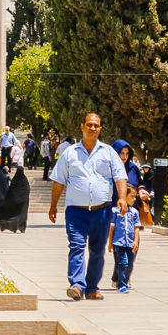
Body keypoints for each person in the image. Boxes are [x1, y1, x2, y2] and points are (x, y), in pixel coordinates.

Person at [48, 113, 129, 302]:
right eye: (89, 125)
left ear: (100, 129)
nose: (93, 128)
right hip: (76, 211)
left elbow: (120, 176)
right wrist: (53, 206)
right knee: (76, 246)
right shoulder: (70, 153)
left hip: (102, 210)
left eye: (96, 125)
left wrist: (123, 198)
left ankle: (92, 287)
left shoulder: (108, 152)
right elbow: (59, 181)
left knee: (97, 250)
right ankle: (77, 284)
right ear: (82, 126)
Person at [108, 184, 142, 293]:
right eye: (132, 196)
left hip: (130, 243)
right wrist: (110, 243)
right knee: (123, 263)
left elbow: (136, 228)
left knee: (130, 264)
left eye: (135, 196)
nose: (134, 199)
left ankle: (125, 280)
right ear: (124, 196)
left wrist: (136, 241)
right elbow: (111, 228)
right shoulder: (115, 211)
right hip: (119, 242)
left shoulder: (134, 212)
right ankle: (121, 285)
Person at [0, 166, 30, 233]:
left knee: (13, 214)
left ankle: (13, 227)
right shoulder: (25, 181)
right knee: (22, 214)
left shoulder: (14, 180)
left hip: (14, 202)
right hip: (23, 202)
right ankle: (22, 228)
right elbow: (27, 190)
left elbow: (11, 191)